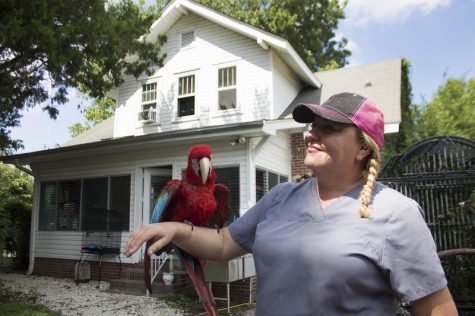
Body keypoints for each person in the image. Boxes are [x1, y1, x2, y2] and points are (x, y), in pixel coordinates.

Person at [124, 92, 458, 315]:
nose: (311, 134)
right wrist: (176, 227)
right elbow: (224, 242)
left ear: (363, 149)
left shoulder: (395, 213)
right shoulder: (280, 198)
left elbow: (437, 309)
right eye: (312, 127)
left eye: (328, 128)